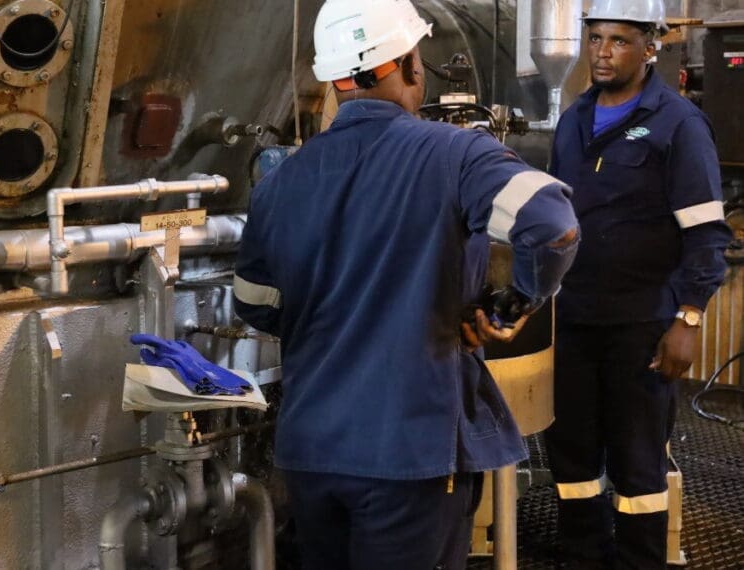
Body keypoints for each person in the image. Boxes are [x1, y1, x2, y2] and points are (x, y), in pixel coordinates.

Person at [233, 0, 581, 566]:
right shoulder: (455, 153)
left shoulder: (280, 181)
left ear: (336, 80)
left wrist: (332, 317)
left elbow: (255, 301)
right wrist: (511, 304)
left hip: (311, 452)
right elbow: (555, 228)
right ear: (410, 65)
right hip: (410, 456)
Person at [545, 0, 733, 567]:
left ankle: (640, 559)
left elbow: (706, 234)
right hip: (573, 316)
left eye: (619, 40)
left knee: (637, 461)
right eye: (595, 38)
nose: (602, 52)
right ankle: (582, 554)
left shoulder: (679, 124)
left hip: (641, 324)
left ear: (651, 46)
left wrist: (689, 318)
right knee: (572, 455)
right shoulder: (575, 118)